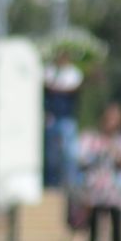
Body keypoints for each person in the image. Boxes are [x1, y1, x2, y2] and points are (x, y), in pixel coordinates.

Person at [78, 101, 121, 241]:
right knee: (95, 237)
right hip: (95, 193)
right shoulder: (91, 139)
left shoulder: (119, 141)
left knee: (117, 236)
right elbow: (82, 161)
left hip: (115, 194)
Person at [45, 49, 86, 189]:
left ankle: (70, 183)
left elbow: (72, 89)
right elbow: (47, 86)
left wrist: (56, 88)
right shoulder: (50, 71)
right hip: (52, 117)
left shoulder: (73, 73)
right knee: (51, 153)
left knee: (69, 153)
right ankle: (52, 183)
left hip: (67, 117)